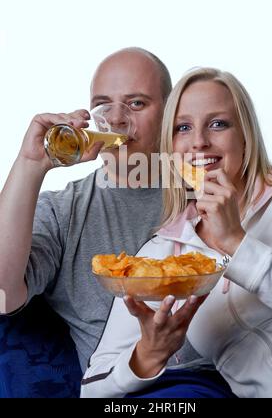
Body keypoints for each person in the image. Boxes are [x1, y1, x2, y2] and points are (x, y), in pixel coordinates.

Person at [81, 67, 272, 399]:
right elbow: (92, 386)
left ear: (245, 134)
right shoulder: (162, 254)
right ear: (169, 146)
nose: (199, 141)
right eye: (183, 128)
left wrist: (236, 244)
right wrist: (147, 356)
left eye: (218, 124)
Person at [0, 47, 174, 372]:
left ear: (171, 112)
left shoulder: (210, 196)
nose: (118, 118)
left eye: (137, 103)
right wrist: (29, 166)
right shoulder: (63, 211)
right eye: (103, 104)